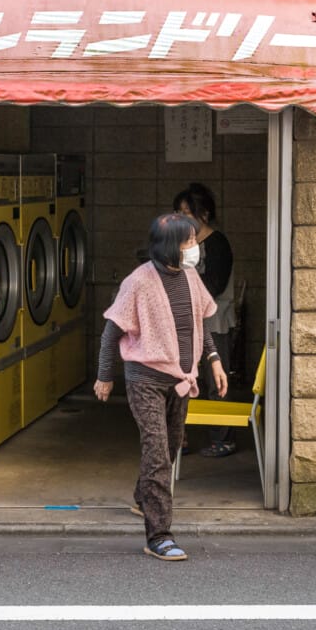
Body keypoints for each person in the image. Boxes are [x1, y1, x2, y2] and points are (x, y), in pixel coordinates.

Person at [94, 213, 227, 562]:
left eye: (194, 242)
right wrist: (104, 376)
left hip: (181, 380)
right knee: (156, 452)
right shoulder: (138, 282)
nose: (195, 249)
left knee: (168, 449)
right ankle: (160, 535)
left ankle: (144, 497)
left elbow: (200, 322)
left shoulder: (190, 277)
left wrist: (213, 359)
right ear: (170, 247)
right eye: (189, 243)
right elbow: (112, 332)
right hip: (146, 381)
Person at [173, 183, 237, 457]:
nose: (182, 218)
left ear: (205, 215)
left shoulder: (218, 243)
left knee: (216, 380)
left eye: (188, 212)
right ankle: (180, 437)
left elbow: (215, 285)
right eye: (178, 212)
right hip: (187, 323)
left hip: (215, 321)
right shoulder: (182, 243)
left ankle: (223, 438)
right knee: (181, 379)